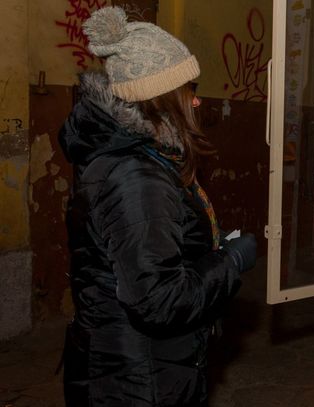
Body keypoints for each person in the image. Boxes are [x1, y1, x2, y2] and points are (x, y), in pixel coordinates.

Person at [58, 6, 257, 407]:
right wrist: (229, 263)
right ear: (161, 99)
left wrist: (205, 245)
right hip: (136, 379)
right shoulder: (136, 176)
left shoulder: (141, 160)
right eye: (188, 90)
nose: (196, 102)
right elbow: (158, 301)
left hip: (138, 368)